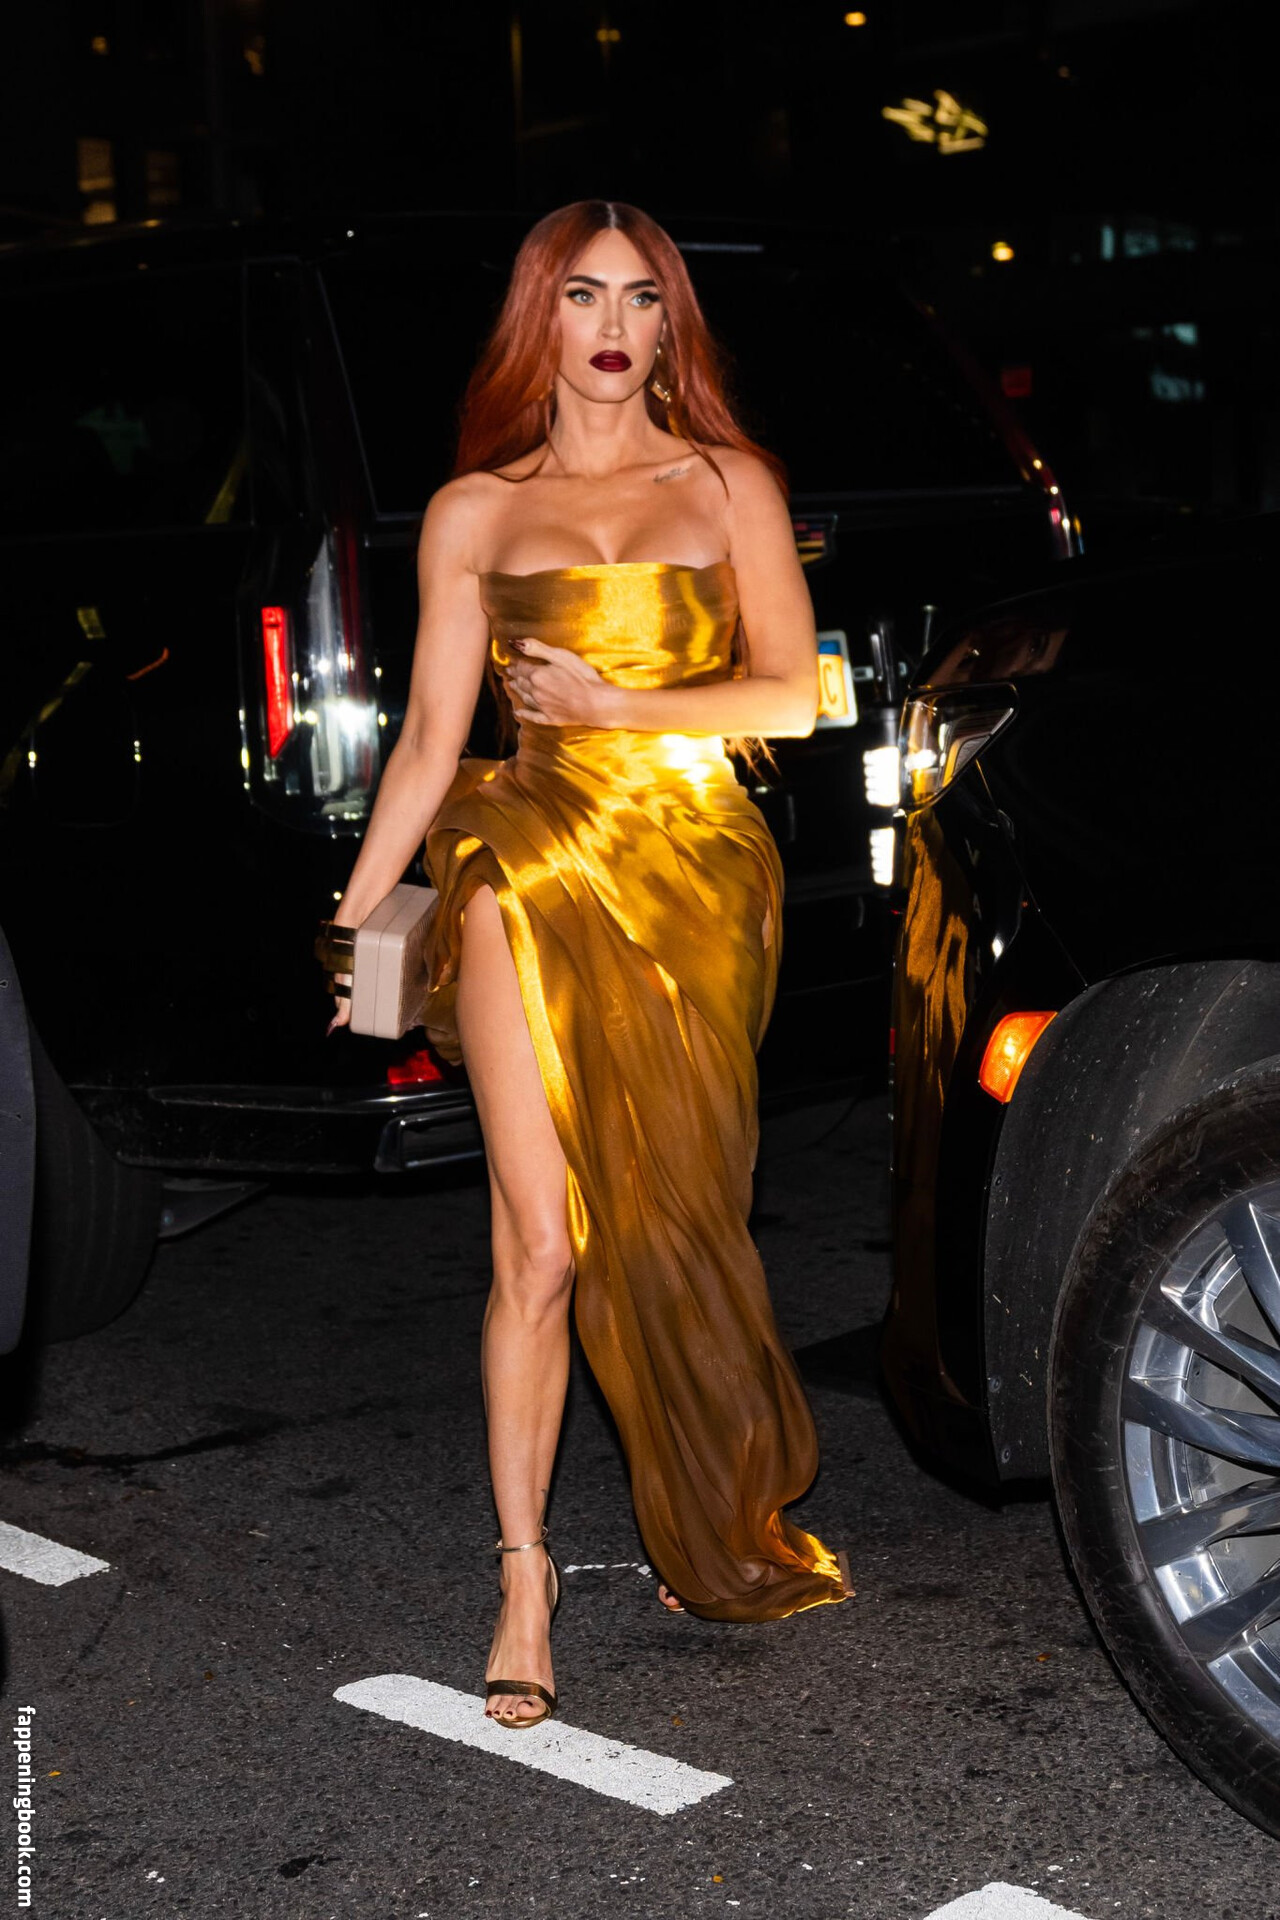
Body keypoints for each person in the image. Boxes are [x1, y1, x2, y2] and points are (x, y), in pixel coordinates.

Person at [322, 199, 852, 1731]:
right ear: (536, 319)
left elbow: (791, 698)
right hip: (528, 847)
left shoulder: (729, 482)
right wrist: (357, 917)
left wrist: (623, 706)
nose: (614, 328)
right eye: (582, 297)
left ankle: (705, 1507)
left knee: (682, 1218)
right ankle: (524, 1575)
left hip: (697, 869)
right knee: (541, 1243)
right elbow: (433, 738)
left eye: (641, 300)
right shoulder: (473, 512)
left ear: (670, 325)